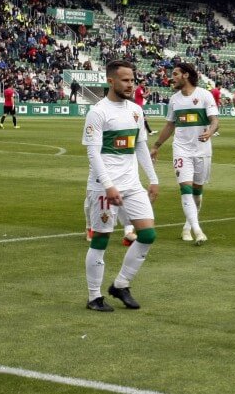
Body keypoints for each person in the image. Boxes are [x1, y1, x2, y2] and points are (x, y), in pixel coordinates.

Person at [82, 60, 159, 312]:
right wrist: (108, 185)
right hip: (105, 186)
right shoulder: (98, 112)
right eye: (125, 80)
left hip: (132, 184)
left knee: (147, 234)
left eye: (132, 80)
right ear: (111, 81)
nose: (130, 84)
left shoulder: (136, 110)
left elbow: (140, 146)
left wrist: (154, 178)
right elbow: (93, 153)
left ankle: (121, 284)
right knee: (101, 238)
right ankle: (94, 297)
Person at [150, 62, 219, 245]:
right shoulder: (174, 100)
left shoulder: (205, 95)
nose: (171, 77)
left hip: (202, 150)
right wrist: (156, 145)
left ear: (186, 75)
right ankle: (198, 230)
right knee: (185, 189)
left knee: (197, 191)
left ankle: (188, 226)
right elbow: (170, 125)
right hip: (181, 150)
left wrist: (210, 131)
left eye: (175, 74)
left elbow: (215, 121)